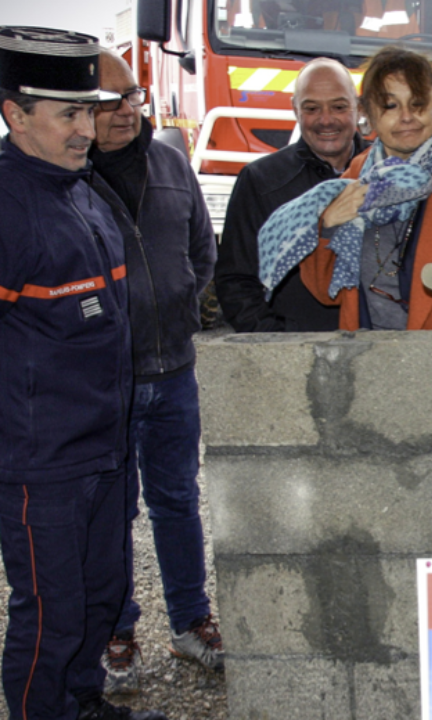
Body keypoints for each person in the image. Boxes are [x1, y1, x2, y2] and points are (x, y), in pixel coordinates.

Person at [0, 26, 167, 720]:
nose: (85, 129)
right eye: (68, 114)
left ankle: (83, 704)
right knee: (52, 614)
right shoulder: (8, 206)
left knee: (102, 596)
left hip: (104, 449)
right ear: (15, 114)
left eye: (87, 112)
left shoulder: (83, 192)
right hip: (43, 463)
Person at [89, 51, 223, 696]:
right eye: (108, 100)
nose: (125, 111)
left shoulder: (171, 164)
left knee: (177, 502)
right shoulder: (67, 173)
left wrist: (177, 304)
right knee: (110, 511)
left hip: (174, 372)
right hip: (104, 380)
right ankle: (116, 631)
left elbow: (202, 249)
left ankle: (191, 623)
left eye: (132, 96)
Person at [264, 45, 432, 330]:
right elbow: (326, 290)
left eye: (418, 103)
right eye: (390, 106)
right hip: (366, 350)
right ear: (368, 113)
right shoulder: (355, 176)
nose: (407, 116)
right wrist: (328, 226)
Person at [214, 57, 367, 332]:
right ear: (295, 109)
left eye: (339, 107)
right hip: (296, 350)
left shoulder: (386, 171)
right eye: (312, 108)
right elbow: (236, 282)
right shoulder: (261, 180)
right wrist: (277, 343)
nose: (326, 120)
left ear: (358, 108)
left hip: (379, 346)